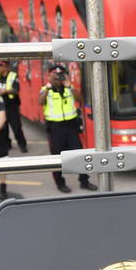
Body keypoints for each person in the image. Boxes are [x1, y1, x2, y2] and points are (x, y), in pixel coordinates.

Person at [38, 64, 97, 193]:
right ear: (50, 76)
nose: (58, 78)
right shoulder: (45, 90)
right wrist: (49, 86)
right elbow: (40, 101)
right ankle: (60, 183)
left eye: (60, 75)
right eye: (55, 75)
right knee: (57, 158)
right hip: (55, 128)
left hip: (71, 126)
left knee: (79, 154)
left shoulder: (69, 88)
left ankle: (84, 181)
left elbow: (80, 99)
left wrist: (69, 86)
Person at [0, 59, 27, 152]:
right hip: (0, 105)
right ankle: (7, 145)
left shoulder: (13, 76)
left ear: (6, 67)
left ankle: (22, 145)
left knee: (16, 127)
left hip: (12, 106)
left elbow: (16, 90)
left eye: (1, 65)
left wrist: (5, 91)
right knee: (3, 128)